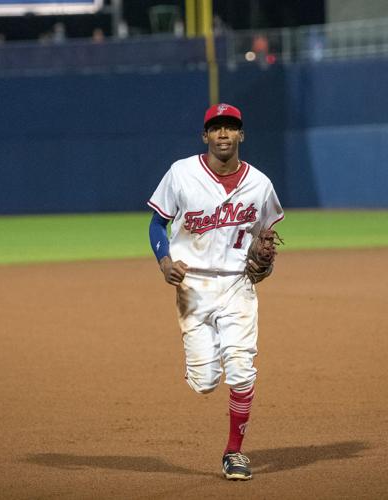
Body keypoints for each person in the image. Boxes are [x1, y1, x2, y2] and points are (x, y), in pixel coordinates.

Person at [147, 103, 284, 480]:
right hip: (191, 284)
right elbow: (157, 224)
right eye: (216, 128)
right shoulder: (181, 173)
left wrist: (266, 263)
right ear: (205, 135)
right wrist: (164, 262)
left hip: (238, 284)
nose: (223, 134)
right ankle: (202, 365)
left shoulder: (261, 184)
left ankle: (234, 453)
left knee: (241, 368)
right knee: (205, 382)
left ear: (241, 135)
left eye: (231, 127)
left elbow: (266, 237)